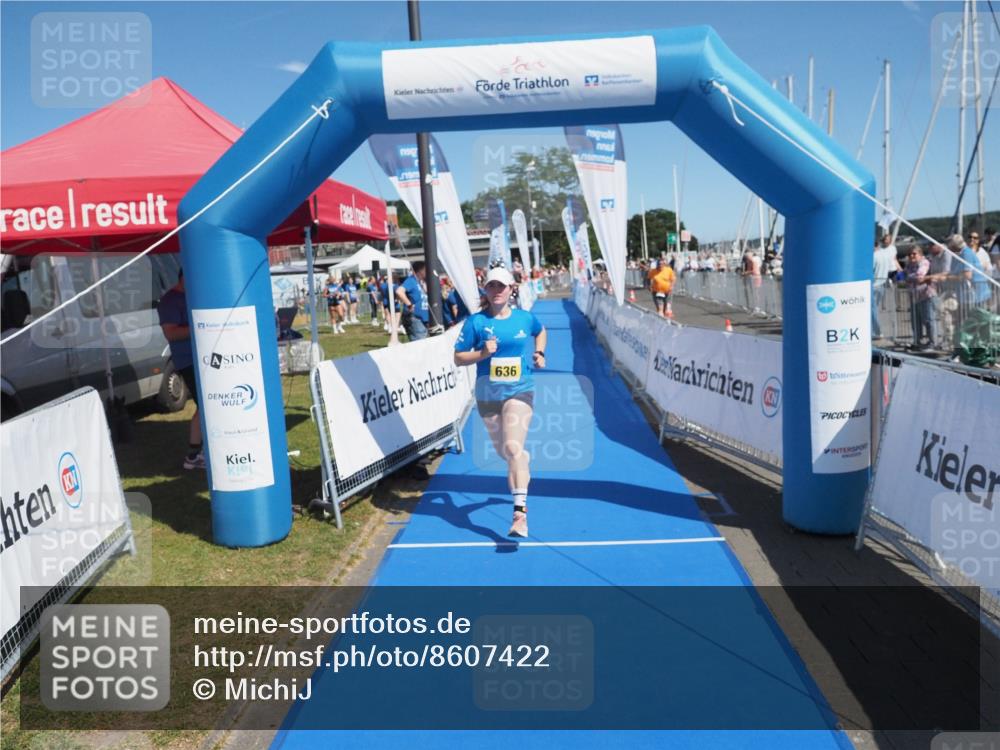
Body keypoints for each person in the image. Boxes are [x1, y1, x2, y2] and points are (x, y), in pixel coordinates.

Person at [453, 266, 547, 538]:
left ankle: (520, 514)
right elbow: (458, 357)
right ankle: (521, 467)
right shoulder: (476, 323)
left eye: (501, 286)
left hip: (520, 389)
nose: (496, 291)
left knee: (513, 446)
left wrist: (539, 352)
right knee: (507, 454)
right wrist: (482, 353)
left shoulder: (524, 319)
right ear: (485, 289)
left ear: (511, 289)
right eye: (491, 286)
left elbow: (540, 332)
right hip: (488, 394)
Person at [156, 270, 204, 470]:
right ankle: (193, 455)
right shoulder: (169, 301)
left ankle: (195, 453)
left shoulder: (194, 295)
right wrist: (202, 327)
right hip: (188, 361)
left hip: (204, 359)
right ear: (184, 278)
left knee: (206, 407)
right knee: (206, 406)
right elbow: (171, 334)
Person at [904, 246, 935, 350]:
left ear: (920, 254)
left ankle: (932, 342)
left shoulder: (924, 262)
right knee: (915, 321)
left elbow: (920, 276)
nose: (911, 256)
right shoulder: (909, 265)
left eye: (914, 254)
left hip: (925, 295)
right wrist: (909, 278)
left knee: (928, 319)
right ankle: (917, 341)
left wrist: (909, 278)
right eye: (909, 254)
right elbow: (903, 276)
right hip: (914, 296)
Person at [872, 234, 901, 340]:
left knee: (872, 310)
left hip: (874, 285)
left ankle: (876, 331)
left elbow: (870, 271)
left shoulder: (874, 256)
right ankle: (875, 331)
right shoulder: (885, 254)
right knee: (875, 309)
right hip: (882, 284)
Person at [396, 261, 430, 340]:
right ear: (420, 270)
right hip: (415, 318)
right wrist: (409, 304)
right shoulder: (411, 280)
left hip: (423, 318)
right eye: (425, 270)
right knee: (419, 344)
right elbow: (399, 291)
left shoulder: (421, 282)